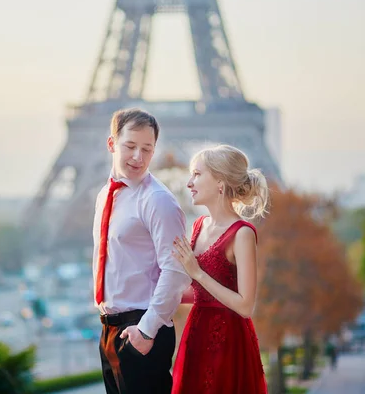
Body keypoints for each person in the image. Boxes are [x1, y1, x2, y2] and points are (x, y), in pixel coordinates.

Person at [92, 108, 192, 394]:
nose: (138, 156)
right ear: (112, 144)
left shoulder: (158, 201)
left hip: (142, 328)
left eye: (146, 149)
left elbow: (176, 270)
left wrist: (146, 330)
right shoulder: (105, 195)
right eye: (130, 146)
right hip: (110, 329)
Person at [171, 144, 269, 394]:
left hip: (228, 342)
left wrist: (197, 273)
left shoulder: (242, 233)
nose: (189, 183)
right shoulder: (199, 225)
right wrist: (162, 297)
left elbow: (246, 305)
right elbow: (203, 294)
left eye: (197, 174)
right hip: (196, 334)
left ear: (220, 183)